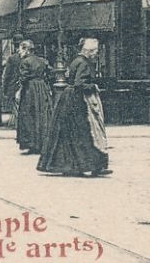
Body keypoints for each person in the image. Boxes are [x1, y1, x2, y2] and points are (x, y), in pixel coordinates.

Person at [37, 38, 111, 177]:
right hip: (77, 100)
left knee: (69, 134)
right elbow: (79, 83)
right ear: (88, 51)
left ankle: (71, 165)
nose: (96, 53)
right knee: (86, 133)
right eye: (94, 51)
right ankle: (93, 165)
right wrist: (93, 86)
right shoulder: (84, 63)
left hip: (68, 98)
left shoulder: (77, 60)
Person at [12, 41, 54, 154]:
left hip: (30, 90)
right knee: (42, 115)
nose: (18, 51)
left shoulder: (25, 62)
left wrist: (19, 91)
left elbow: (23, 78)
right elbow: (50, 72)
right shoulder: (42, 60)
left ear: (26, 49)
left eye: (20, 49)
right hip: (41, 88)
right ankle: (42, 143)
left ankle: (32, 143)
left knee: (28, 115)